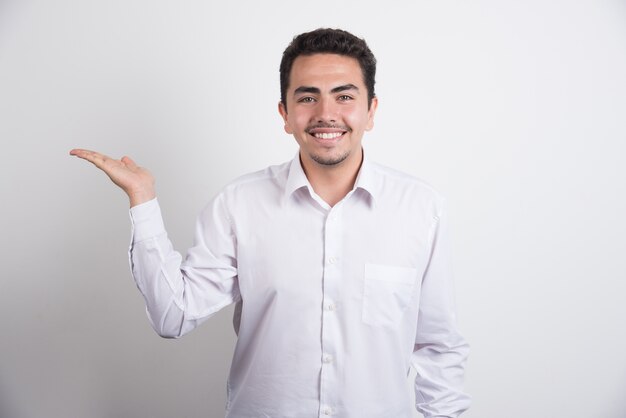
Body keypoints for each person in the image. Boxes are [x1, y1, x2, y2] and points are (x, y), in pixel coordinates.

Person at [70, 28, 470, 418]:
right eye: (307, 97)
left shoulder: (420, 208)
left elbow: (438, 347)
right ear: (285, 114)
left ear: (371, 111)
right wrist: (143, 199)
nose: (326, 114)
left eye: (344, 96)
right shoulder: (239, 205)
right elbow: (172, 316)